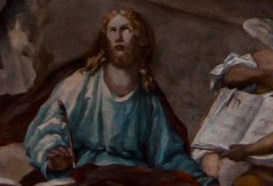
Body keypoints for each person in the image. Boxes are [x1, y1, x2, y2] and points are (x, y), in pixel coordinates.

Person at [19, 10, 201, 186]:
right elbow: (46, 129)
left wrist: (201, 180)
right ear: (105, 41)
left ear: (141, 40)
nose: (118, 37)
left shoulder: (148, 98)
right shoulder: (79, 85)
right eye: (112, 30)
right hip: (88, 174)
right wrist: (54, 157)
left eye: (126, 30)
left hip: (134, 178)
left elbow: (168, 154)